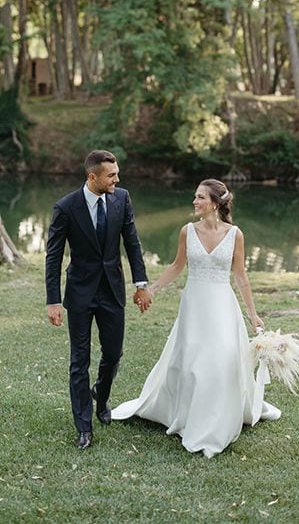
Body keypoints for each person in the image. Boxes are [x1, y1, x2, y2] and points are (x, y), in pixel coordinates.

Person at [112, 178, 281, 458]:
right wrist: (151, 289)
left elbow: (240, 276)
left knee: (220, 359)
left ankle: (216, 418)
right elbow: (178, 266)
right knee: (192, 361)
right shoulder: (187, 231)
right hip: (195, 304)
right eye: (195, 197)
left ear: (215, 203)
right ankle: (188, 413)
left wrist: (253, 315)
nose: (195, 202)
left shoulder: (235, 234)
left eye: (200, 197)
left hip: (222, 306)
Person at [45, 149, 152, 450]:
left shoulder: (122, 199)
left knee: (113, 354)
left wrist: (141, 283)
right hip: (79, 293)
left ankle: (101, 398)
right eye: (111, 175)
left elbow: (132, 242)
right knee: (79, 361)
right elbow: (53, 258)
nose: (117, 179)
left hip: (112, 290)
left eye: (117, 173)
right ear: (92, 177)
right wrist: (53, 300)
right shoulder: (66, 207)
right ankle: (84, 427)